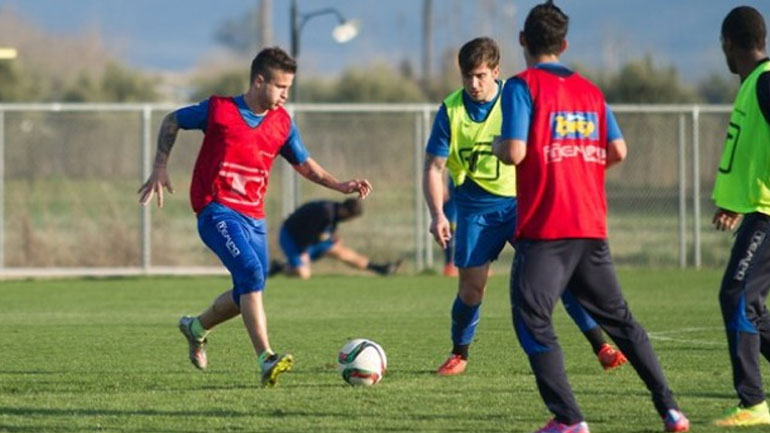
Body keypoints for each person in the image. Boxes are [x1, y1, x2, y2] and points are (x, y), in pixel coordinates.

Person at [492, 2, 690, 432]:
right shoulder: (590, 91)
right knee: (620, 319)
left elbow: (515, 152)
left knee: (531, 315)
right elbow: (618, 150)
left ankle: (569, 419)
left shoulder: (521, 87)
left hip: (547, 229)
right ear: (564, 45)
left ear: (523, 40)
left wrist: (497, 146)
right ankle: (671, 408)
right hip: (590, 226)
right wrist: (578, 164)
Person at [137, 47, 372, 387]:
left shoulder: (282, 124)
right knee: (250, 273)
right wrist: (160, 165)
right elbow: (172, 120)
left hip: (254, 219)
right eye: (280, 87)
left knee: (248, 287)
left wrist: (340, 184)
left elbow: (304, 164)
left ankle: (196, 327)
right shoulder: (219, 111)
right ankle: (266, 358)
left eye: (289, 88)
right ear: (259, 81)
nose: (285, 95)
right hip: (216, 209)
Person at [423, 36, 626, 378]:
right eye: (467, 76)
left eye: (481, 76)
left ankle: (601, 346)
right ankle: (459, 353)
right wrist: (438, 214)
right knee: (472, 290)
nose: (474, 84)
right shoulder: (451, 110)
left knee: (560, 277)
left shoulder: (517, 97)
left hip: (524, 204)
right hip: (475, 210)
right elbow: (433, 167)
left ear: (496, 71)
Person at [712, 6, 770, 427]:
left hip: (769, 215)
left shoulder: (766, 81)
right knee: (744, 299)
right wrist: (736, 201)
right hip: (757, 212)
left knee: (738, 296)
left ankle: (752, 402)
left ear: (729, 43)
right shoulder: (753, 84)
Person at [267, 198, 401, 279]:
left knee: (341, 252)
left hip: (310, 241)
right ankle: (281, 267)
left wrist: (332, 238)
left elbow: (323, 232)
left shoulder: (335, 212)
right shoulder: (326, 212)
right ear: (346, 212)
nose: (349, 220)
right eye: (351, 217)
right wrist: (303, 252)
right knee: (303, 274)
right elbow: (308, 232)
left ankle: (380, 268)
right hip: (292, 237)